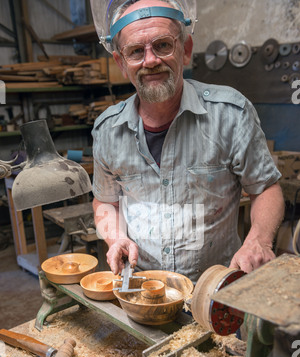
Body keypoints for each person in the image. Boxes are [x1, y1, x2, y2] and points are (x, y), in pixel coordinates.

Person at [91, 0, 285, 283]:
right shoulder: (107, 130)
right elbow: (104, 201)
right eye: (135, 51)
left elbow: (266, 187)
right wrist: (115, 237)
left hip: (217, 289)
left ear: (186, 50)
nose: (150, 60)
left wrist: (259, 240)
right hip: (144, 290)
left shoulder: (231, 115)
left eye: (162, 45)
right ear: (121, 63)